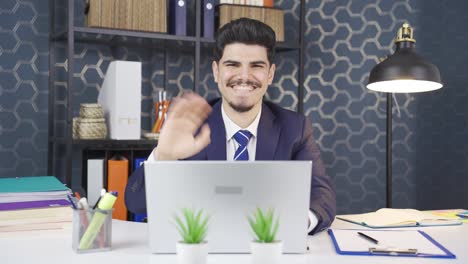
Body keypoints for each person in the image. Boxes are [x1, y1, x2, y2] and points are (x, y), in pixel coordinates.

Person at [125, 18, 336, 234]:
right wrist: (164, 156)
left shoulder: (295, 128)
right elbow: (135, 203)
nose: (244, 76)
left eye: (256, 66)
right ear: (216, 71)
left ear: (270, 74)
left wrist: (295, 223)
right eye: (232, 65)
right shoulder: (191, 127)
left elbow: (322, 195)